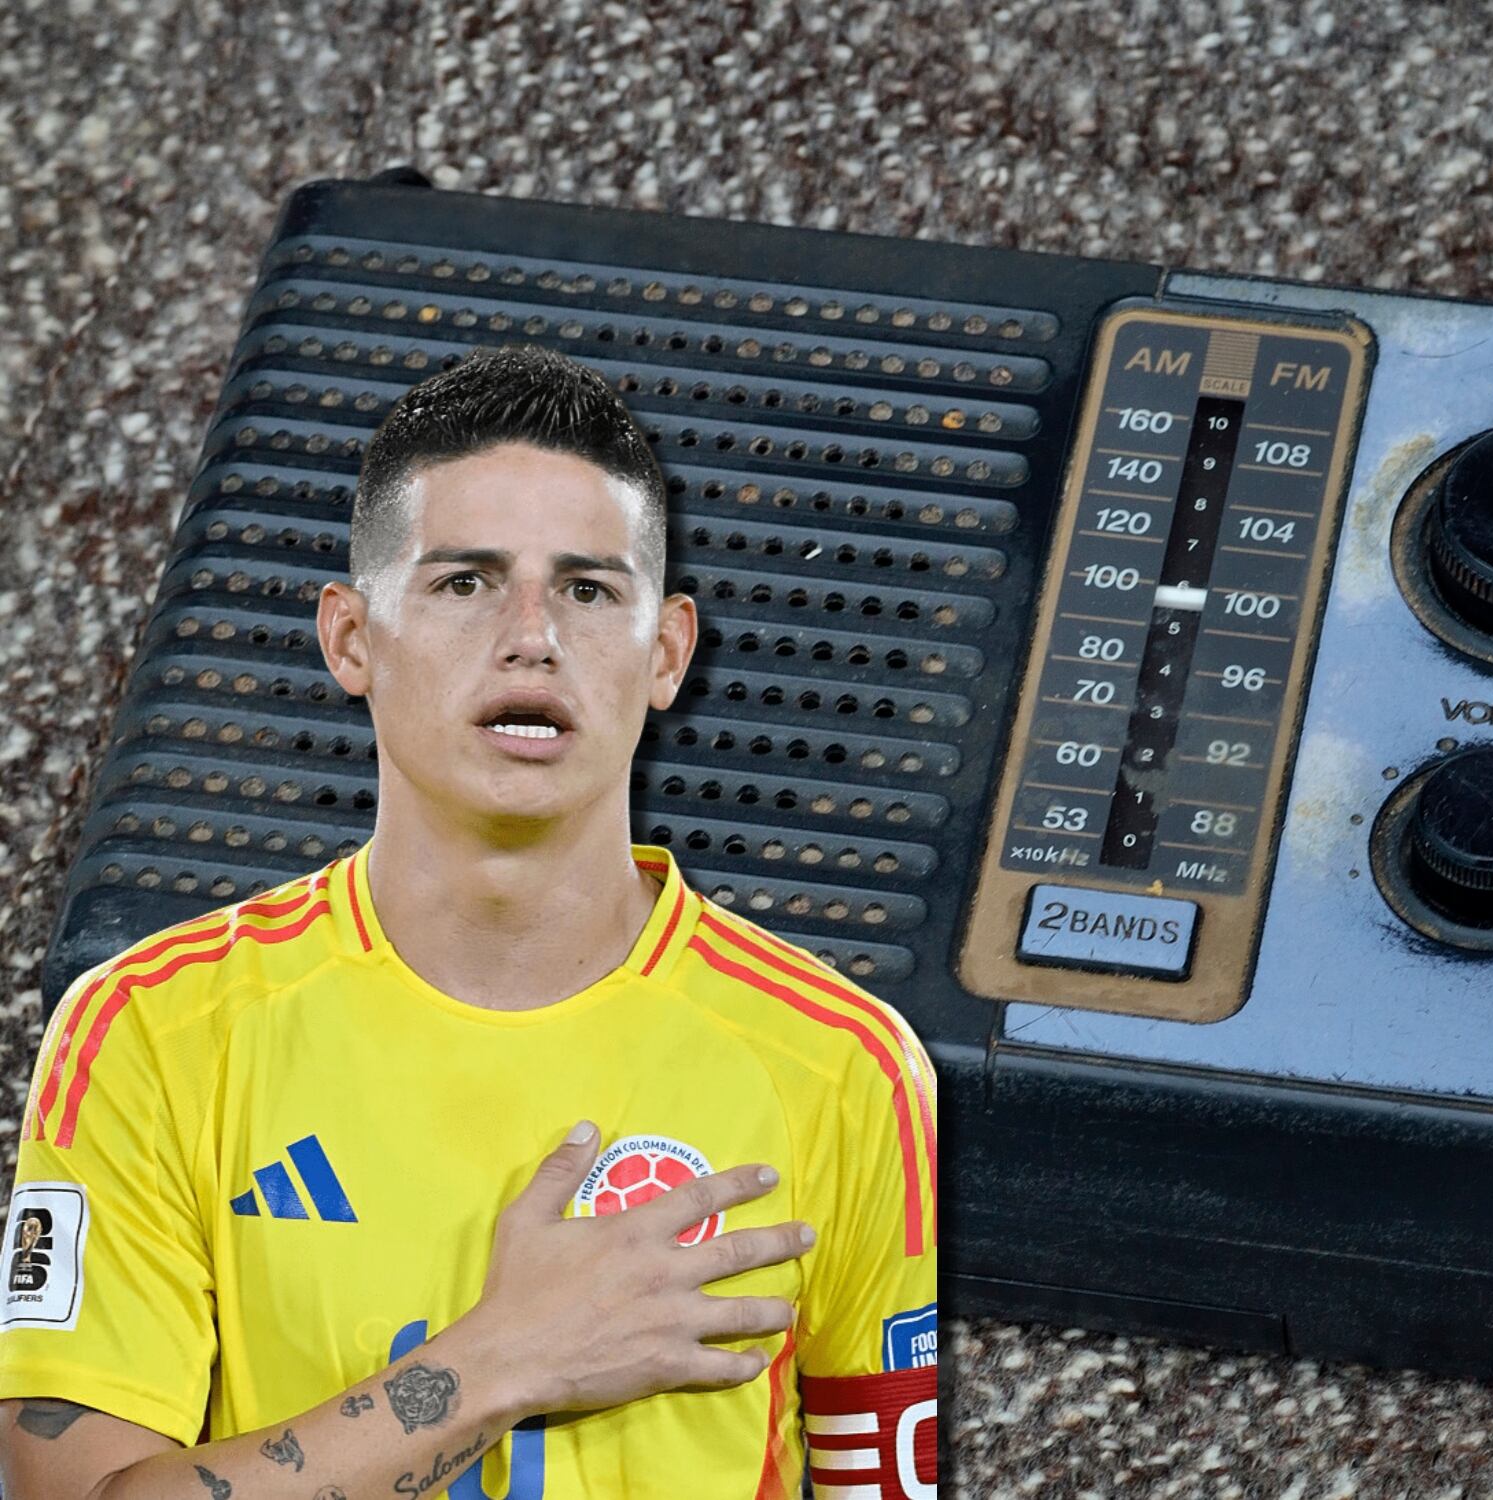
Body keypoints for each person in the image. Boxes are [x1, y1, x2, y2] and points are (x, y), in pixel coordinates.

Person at [0, 344, 940, 1498]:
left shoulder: (842, 1066)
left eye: (588, 590)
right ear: (349, 638)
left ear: (667, 653)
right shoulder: (151, 1032)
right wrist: (505, 1359)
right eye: (464, 582)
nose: (531, 635)